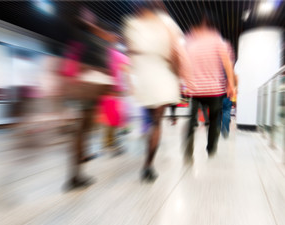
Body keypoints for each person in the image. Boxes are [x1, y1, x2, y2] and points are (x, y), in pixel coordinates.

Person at [124, 2, 188, 181]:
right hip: (162, 75)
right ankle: (148, 166)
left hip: (144, 76)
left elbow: (130, 51)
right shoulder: (166, 22)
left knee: (151, 120)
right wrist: (178, 75)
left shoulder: (132, 23)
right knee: (156, 123)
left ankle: (147, 156)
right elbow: (176, 51)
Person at [60, 8, 115, 190]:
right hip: (88, 89)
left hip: (82, 88)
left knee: (81, 132)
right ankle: (75, 177)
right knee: (82, 132)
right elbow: (99, 66)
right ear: (84, 19)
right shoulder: (89, 38)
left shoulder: (80, 37)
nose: (92, 16)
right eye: (88, 15)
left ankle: (75, 175)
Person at [183, 10, 235, 160]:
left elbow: (183, 62)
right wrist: (230, 84)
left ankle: (188, 146)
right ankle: (211, 147)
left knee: (191, 119)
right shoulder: (218, 40)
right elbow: (227, 63)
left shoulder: (189, 40)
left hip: (195, 89)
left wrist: (184, 82)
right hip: (214, 90)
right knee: (213, 120)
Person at [220, 41, 237, 138]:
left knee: (218, 112)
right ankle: (225, 130)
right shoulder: (230, 69)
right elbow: (234, 82)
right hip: (228, 93)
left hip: (218, 93)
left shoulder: (218, 67)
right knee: (226, 111)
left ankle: (217, 129)